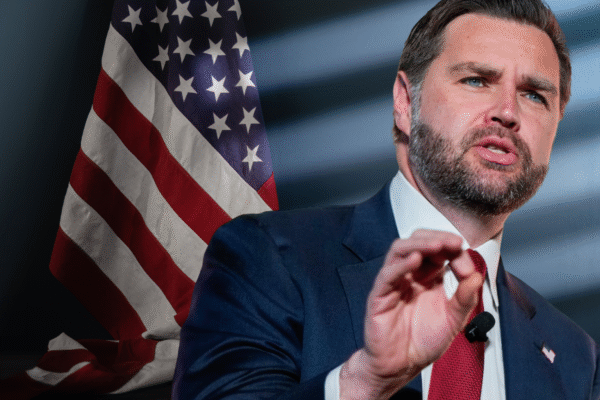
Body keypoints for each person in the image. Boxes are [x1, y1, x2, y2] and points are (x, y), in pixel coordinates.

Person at [173, 0, 600, 398]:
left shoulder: (576, 356)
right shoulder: (266, 258)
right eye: (476, 80)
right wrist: (365, 381)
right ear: (404, 102)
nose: (507, 111)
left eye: (534, 95)